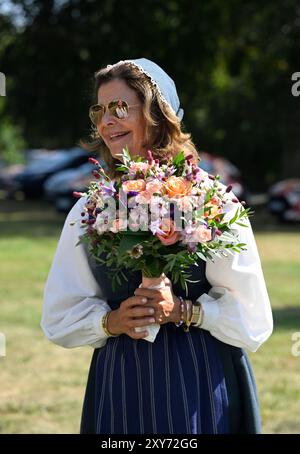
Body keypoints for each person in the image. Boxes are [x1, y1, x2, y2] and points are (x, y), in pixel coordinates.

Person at [41, 58, 273, 434]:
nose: (106, 122)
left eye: (119, 107)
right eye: (99, 110)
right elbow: (59, 312)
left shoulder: (210, 200)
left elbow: (253, 319)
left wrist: (185, 310)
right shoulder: (92, 207)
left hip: (200, 376)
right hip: (123, 379)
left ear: (157, 113)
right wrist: (111, 321)